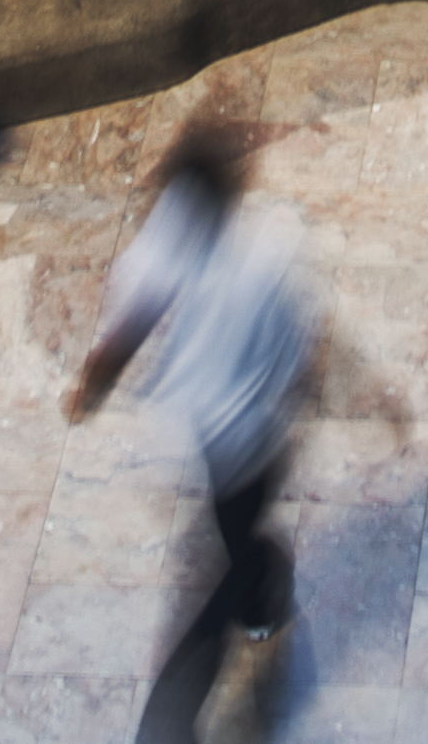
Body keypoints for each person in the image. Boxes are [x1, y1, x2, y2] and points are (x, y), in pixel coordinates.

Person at [75, 125, 321, 742]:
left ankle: (172, 716)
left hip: (231, 439)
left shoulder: (183, 247)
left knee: (226, 566)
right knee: (237, 541)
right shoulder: (257, 268)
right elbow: (296, 358)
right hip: (248, 440)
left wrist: (95, 384)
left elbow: (130, 326)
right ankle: (263, 592)